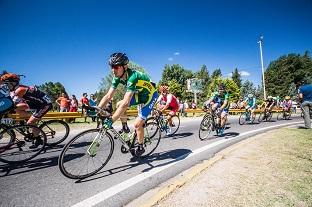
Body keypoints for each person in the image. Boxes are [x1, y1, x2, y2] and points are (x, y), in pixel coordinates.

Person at [97, 52, 158, 156]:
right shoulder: (117, 77)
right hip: (139, 94)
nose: (113, 70)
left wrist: (112, 120)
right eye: (112, 67)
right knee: (118, 104)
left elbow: (126, 103)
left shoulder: (133, 77)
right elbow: (108, 96)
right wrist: (97, 109)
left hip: (150, 96)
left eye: (116, 67)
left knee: (137, 124)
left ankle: (140, 145)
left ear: (125, 67)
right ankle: (125, 127)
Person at [1, 72, 52, 148]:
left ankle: (38, 140)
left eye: (6, 84)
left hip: (44, 104)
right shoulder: (15, 89)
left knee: (30, 122)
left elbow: (12, 104)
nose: (5, 86)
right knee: (17, 109)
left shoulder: (20, 90)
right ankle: (32, 118)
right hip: (35, 103)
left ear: (13, 83)